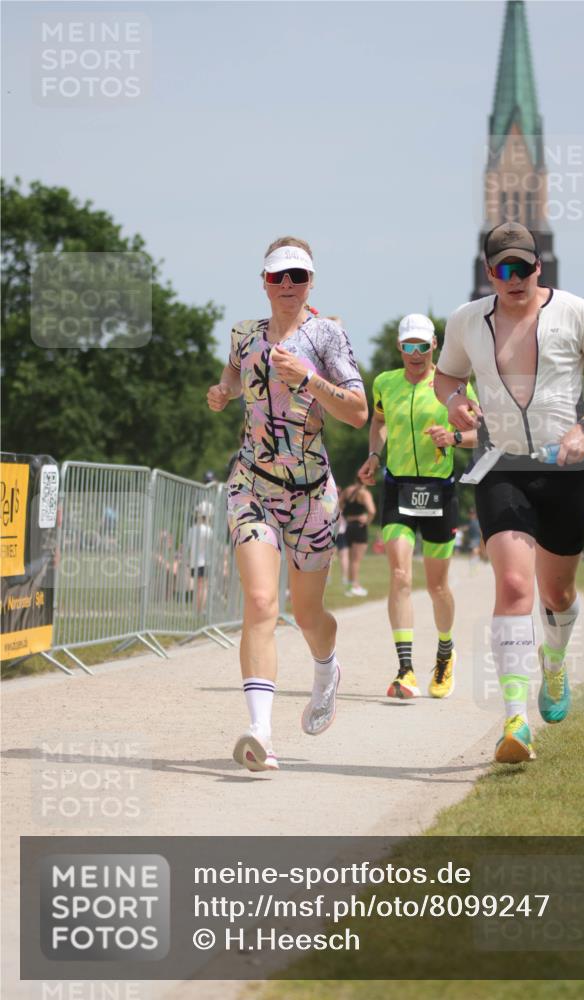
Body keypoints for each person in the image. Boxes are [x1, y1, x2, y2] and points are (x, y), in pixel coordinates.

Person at [434, 222, 584, 763]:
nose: (515, 278)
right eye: (504, 269)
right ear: (489, 273)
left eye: (524, 267)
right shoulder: (465, 321)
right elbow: (445, 377)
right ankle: (515, 721)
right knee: (516, 586)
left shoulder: (577, 313)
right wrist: (454, 400)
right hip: (500, 466)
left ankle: (554, 661)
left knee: (558, 595)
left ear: (539, 266)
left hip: (569, 470)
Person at [207, 236, 367, 773]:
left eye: (297, 276)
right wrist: (224, 390)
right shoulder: (244, 334)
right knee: (259, 603)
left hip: (310, 496)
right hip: (252, 484)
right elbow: (234, 368)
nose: (287, 287)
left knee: (307, 614)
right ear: (263, 282)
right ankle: (260, 731)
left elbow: (359, 412)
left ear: (311, 281)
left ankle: (326, 668)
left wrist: (310, 379)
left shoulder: (327, 335)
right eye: (278, 277)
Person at [358, 314, 477, 700]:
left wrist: (455, 436)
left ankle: (445, 652)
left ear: (434, 346)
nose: (415, 353)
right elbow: (378, 422)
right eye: (408, 346)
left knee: (437, 586)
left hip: (440, 492)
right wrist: (375, 454)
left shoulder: (454, 387)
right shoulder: (385, 383)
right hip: (398, 489)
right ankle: (405, 669)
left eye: (422, 346)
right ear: (399, 347)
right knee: (400, 575)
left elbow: (482, 434)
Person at [339, 478, 376, 596]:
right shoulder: (364, 493)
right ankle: (355, 585)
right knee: (356, 560)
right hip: (360, 528)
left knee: (351, 560)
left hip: (348, 527)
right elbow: (372, 511)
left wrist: (346, 516)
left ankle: (350, 587)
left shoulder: (348, 491)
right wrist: (367, 521)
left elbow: (339, 504)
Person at [187, 500, 213, 613]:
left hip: (194, 562)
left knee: (198, 586)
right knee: (204, 587)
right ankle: (200, 610)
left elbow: (188, 546)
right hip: (204, 561)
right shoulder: (208, 530)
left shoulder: (191, 529)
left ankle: (197, 609)